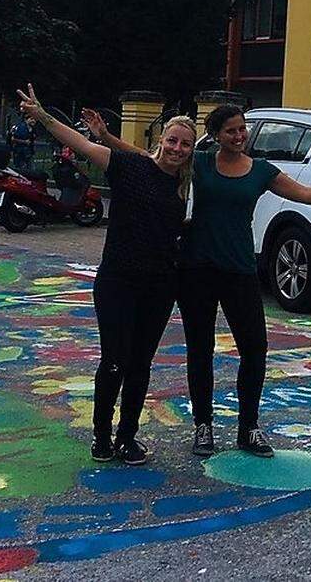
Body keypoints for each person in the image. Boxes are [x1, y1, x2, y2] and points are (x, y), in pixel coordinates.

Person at [89, 104, 311, 458]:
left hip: (240, 270)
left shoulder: (260, 171)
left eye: (242, 129)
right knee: (200, 351)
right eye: (231, 131)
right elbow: (149, 158)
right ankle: (203, 425)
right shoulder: (198, 161)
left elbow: (303, 193)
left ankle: (249, 428)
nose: (240, 136)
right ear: (216, 136)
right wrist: (105, 138)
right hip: (196, 270)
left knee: (255, 349)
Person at [17, 85, 196, 465]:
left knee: (141, 363)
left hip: (161, 285)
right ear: (160, 141)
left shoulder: (185, 187)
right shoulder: (128, 167)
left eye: (185, 145)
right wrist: (44, 115)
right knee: (114, 359)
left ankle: (127, 436)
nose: (178, 149)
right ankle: (101, 435)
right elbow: (81, 145)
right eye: (173, 140)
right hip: (118, 280)